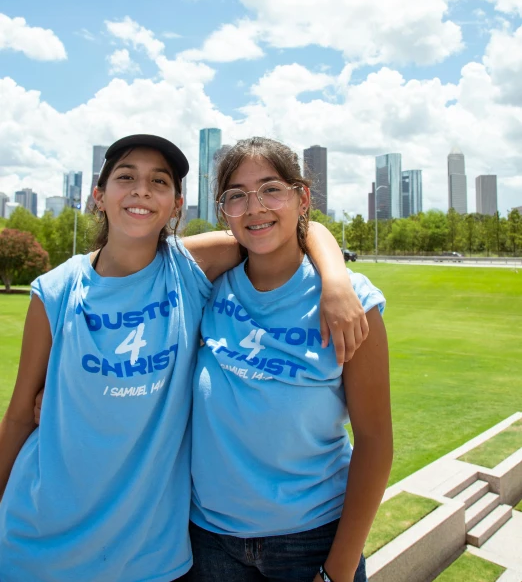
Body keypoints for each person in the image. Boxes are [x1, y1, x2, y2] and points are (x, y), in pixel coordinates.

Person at [0, 134, 368, 582]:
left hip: (149, 554)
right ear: (98, 196)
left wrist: (335, 278)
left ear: (177, 204)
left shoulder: (190, 268)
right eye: (125, 177)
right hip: (37, 538)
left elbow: (286, 224)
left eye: (159, 181)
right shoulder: (56, 291)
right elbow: (19, 417)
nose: (140, 190)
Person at [189, 137, 393, 582]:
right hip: (209, 541)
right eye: (236, 196)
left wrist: (337, 570)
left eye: (270, 189)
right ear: (223, 210)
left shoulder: (352, 302)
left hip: (312, 541)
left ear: (302, 198)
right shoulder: (208, 286)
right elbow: (139, 267)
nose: (255, 206)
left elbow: (376, 443)